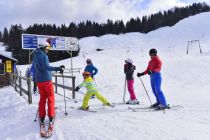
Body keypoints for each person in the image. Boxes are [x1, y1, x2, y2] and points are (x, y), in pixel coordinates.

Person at [32, 41, 65, 136]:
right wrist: (58, 68)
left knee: (43, 98)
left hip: (39, 80)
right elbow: (46, 67)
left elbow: (35, 67)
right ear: (43, 47)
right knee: (50, 98)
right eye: (47, 48)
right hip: (46, 80)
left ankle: (42, 117)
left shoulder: (35, 54)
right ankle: (51, 117)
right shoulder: (43, 56)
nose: (48, 50)